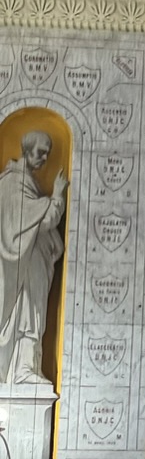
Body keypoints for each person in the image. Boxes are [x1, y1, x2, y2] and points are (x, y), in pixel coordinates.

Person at [0, 132, 67, 387]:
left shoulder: (28, 185)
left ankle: (26, 368)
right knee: (27, 314)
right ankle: (22, 370)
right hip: (22, 267)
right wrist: (57, 195)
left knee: (33, 313)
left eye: (47, 153)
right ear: (26, 151)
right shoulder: (13, 184)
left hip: (33, 262)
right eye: (40, 152)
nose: (44, 158)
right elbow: (44, 220)